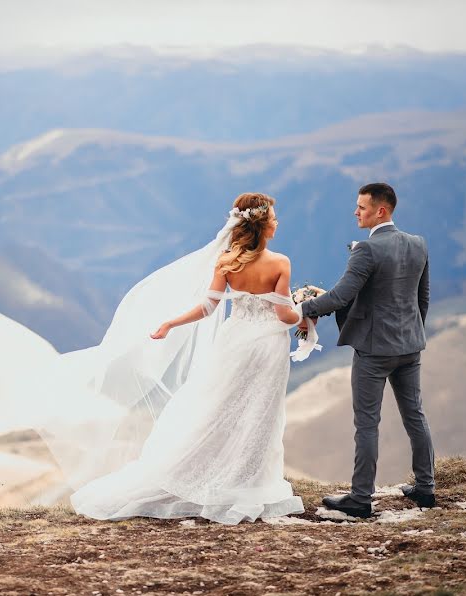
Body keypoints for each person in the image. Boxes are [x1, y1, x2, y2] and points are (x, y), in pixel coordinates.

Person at [43, 192, 319, 525]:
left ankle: (203, 473)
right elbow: (284, 316)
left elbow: (208, 307)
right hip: (266, 347)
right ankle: (247, 481)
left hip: (234, 343)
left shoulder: (227, 261)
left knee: (219, 408)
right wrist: (307, 311)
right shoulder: (280, 263)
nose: (277, 222)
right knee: (260, 412)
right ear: (262, 224)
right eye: (273, 217)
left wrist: (171, 322)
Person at [298, 182, 436, 518]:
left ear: (381, 211)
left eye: (361, 207)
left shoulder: (367, 250)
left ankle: (361, 499)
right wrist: (410, 333)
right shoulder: (418, 244)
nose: (355, 212)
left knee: (367, 424)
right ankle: (425, 488)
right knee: (415, 415)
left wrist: (301, 308)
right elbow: (422, 299)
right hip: (410, 346)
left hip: (374, 351)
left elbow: (342, 297)